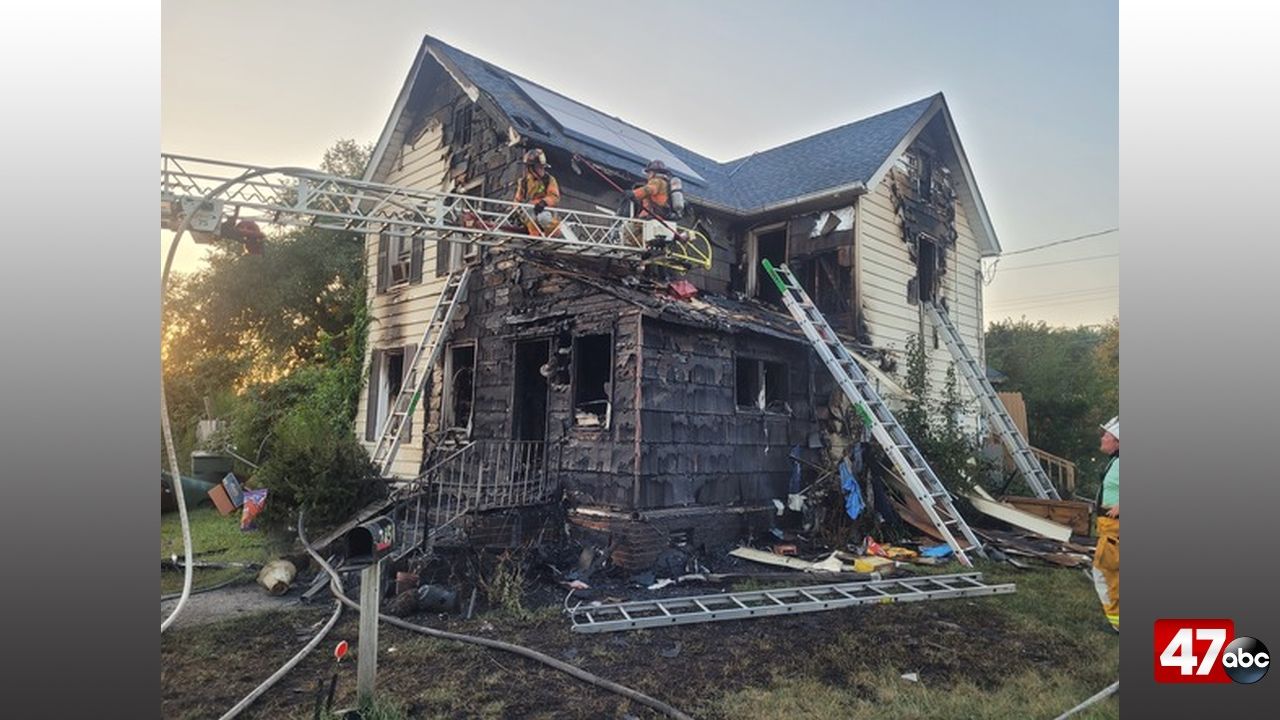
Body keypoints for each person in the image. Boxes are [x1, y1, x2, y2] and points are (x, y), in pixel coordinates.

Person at [1092, 415, 1120, 633]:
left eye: (1107, 435)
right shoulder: (1116, 461)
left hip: (1115, 528)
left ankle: (1117, 622)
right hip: (1109, 527)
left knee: (1104, 573)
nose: (1102, 438)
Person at [513, 148, 560, 235]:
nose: (541, 169)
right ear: (530, 168)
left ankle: (551, 235)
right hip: (528, 213)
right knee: (529, 210)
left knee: (544, 218)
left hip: (544, 211)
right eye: (539, 167)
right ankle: (535, 236)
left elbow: (554, 197)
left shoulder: (549, 180)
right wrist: (516, 210)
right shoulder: (524, 182)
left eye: (542, 167)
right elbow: (517, 200)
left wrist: (543, 203)